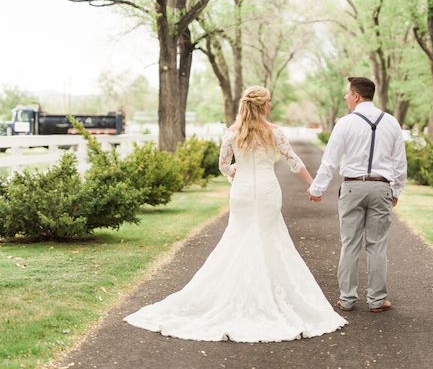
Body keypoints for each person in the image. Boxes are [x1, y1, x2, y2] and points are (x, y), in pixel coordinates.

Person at [123, 85, 347, 342]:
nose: (270, 105)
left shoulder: (233, 133)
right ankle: (263, 297)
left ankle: (236, 296)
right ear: (263, 106)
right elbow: (293, 161)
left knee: (238, 239)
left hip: (241, 193)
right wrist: (312, 185)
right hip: (266, 191)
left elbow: (222, 165)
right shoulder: (274, 133)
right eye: (269, 102)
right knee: (269, 240)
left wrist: (234, 172)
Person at [308, 76, 407, 313]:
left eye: (347, 93)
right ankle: (377, 300)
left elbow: (330, 160)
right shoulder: (391, 122)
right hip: (381, 187)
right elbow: (399, 163)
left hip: (352, 187)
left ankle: (347, 299)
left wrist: (317, 188)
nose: (345, 97)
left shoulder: (345, 123)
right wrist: (396, 190)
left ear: (356, 96)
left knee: (350, 244)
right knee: (377, 245)